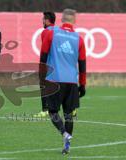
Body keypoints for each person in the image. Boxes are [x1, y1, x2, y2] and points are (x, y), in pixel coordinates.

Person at [40, 9, 86, 154]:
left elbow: (43, 58)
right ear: (74, 21)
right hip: (72, 82)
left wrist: (41, 79)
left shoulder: (50, 33)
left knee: (53, 111)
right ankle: (67, 147)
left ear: (61, 19)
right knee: (69, 114)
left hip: (54, 80)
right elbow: (83, 64)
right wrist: (82, 84)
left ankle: (64, 133)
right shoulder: (79, 38)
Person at [34, 11, 56, 118]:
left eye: (43, 19)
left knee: (43, 85)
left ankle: (44, 110)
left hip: (48, 63)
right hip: (58, 64)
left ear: (47, 20)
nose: (42, 21)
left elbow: (44, 50)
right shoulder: (59, 31)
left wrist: (42, 64)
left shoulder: (46, 32)